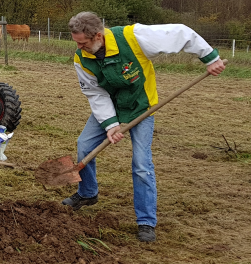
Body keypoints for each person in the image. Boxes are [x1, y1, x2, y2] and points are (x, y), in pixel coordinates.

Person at [65, 12, 226, 243]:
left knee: (141, 163)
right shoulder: (82, 59)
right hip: (111, 106)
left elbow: (181, 33)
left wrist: (210, 58)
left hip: (141, 106)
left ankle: (146, 221)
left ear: (98, 35)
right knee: (84, 146)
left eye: (83, 43)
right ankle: (88, 193)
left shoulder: (134, 37)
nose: (79, 47)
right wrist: (111, 124)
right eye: (76, 42)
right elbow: (94, 92)